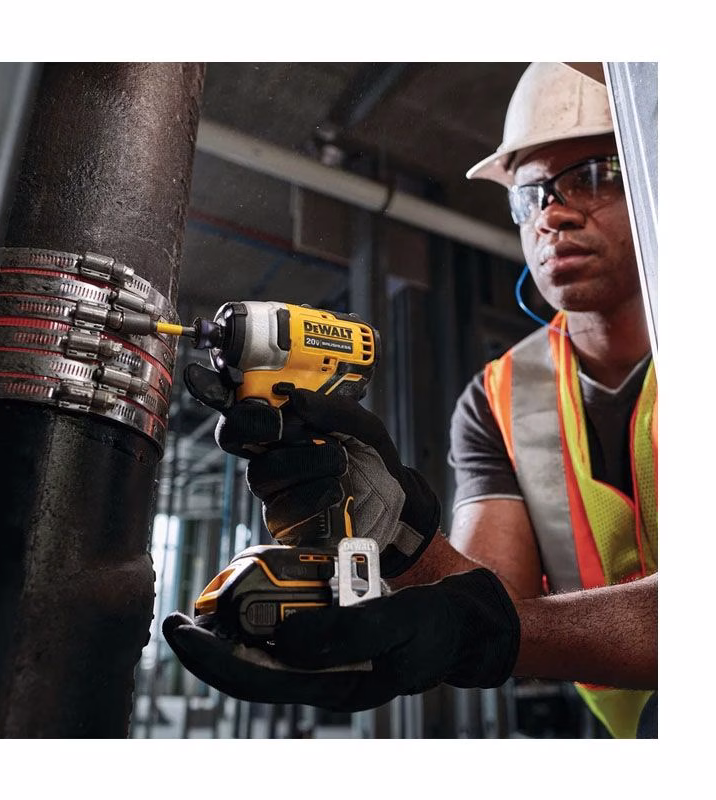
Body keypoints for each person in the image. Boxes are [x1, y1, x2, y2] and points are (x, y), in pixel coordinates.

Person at [163, 62, 657, 739]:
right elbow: (493, 609)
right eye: (531, 195)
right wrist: (401, 538)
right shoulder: (497, 395)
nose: (553, 214)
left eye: (593, 176)